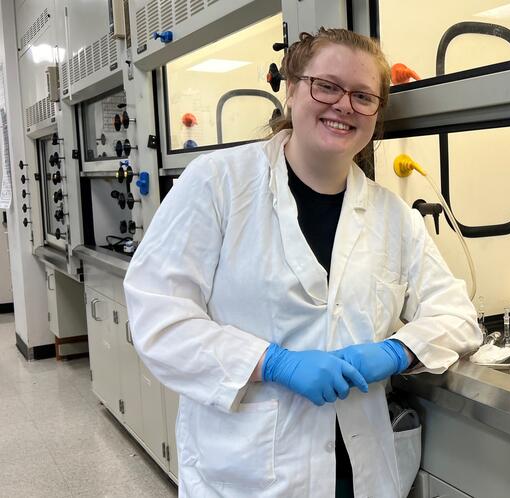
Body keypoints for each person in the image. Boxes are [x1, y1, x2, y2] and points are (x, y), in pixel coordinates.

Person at [124, 27, 482, 498]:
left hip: (359, 471)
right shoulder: (218, 184)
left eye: (362, 96)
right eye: (326, 86)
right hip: (249, 473)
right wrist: (272, 363)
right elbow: (158, 317)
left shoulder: (393, 217)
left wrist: (396, 351)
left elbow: (458, 318)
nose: (344, 106)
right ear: (292, 90)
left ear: (376, 114)